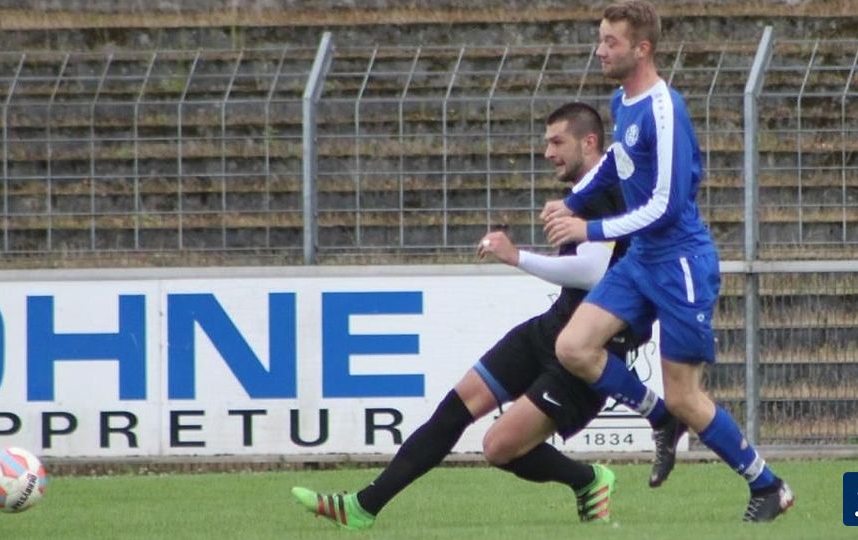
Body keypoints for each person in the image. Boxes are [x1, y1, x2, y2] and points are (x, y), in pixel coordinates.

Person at [291, 102, 684, 530]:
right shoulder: (582, 195)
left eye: (557, 142)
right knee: (454, 409)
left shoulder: (610, 192)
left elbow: (594, 274)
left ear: (589, 142)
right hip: (551, 327)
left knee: (498, 448)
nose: (548, 153)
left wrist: (517, 257)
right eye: (546, 143)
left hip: (588, 352)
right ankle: (361, 507)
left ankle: (588, 479)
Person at [541, 0, 794, 523]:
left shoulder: (665, 108)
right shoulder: (622, 100)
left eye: (610, 42)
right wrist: (576, 200)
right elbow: (617, 161)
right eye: (600, 39)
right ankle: (659, 417)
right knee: (573, 346)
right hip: (642, 260)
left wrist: (589, 228)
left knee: (686, 397)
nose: (599, 50)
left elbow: (666, 205)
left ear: (642, 49)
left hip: (680, 264)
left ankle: (769, 486)